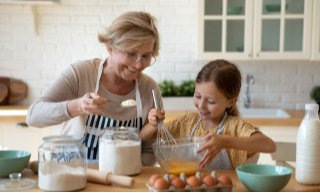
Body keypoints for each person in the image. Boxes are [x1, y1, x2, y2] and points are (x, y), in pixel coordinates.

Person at [27, 11, 163, 165]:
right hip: (73, 175)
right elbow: (33, 115)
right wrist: (78, 106)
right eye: (131, 53)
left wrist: (130, 170)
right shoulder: (81, 73)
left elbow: (149, 150)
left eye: (146, 56)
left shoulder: (149, 89)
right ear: (110, 48)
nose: (138, 65)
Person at [140, 59, 277, 170]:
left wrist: (224, 141)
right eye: (198, 96)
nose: (201, 105)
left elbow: (269, 145)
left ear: (230, 102)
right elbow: (143, 136)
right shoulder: (188, 122)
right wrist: (153, 125)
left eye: (210, 101)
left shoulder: (235, 127)